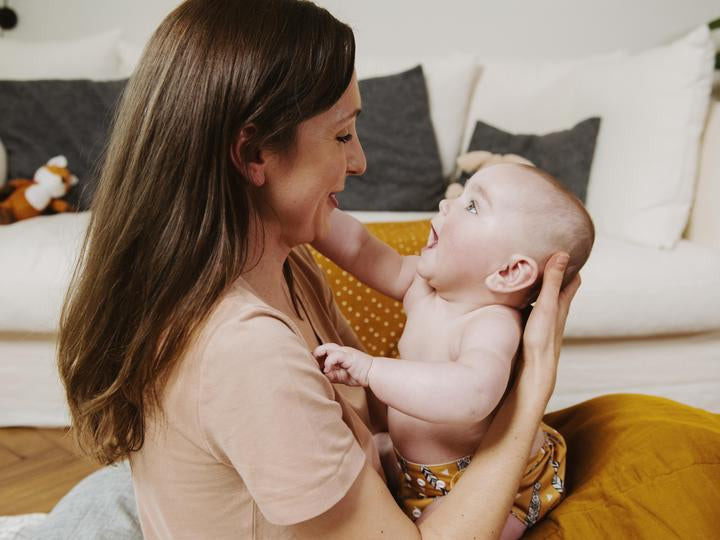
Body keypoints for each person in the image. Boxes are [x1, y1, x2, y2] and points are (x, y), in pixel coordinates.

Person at [57, 0, 581, 538]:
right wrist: (528, 396)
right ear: (253, 152)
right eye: (341, 135)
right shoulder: (245, 352)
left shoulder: (285, 263)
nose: (360, 161)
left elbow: (363, 403)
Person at [311, 163, 595, 538]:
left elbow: (473, 394)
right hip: (418, 471)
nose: (448, 204)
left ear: (509, 272)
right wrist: (312, 214)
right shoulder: (420, 284)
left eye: (473, 206)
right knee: (367, 454)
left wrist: (370, 371)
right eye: (461, 193)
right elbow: (360, 247)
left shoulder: (490, 323)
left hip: (491, 481)